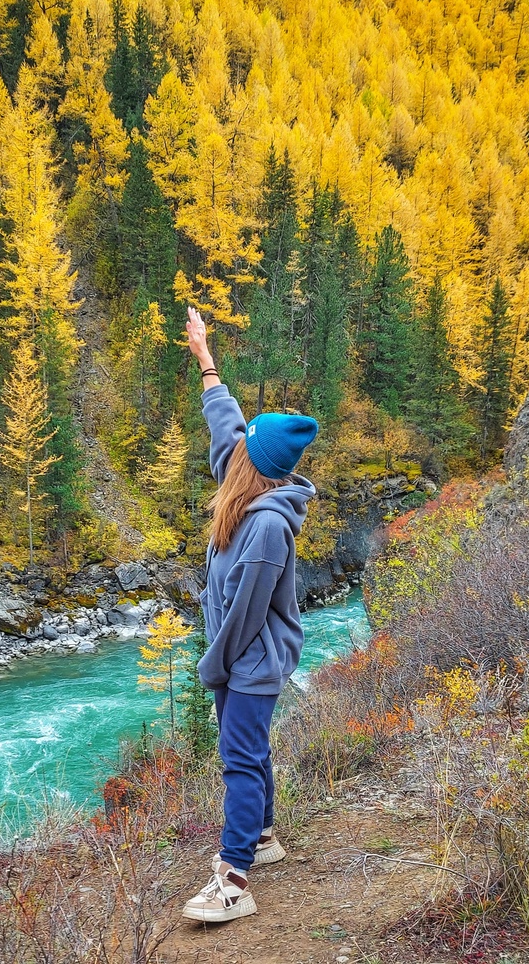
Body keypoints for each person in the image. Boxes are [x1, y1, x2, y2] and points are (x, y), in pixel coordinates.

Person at [181, 306, 319, 923]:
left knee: (239, 758)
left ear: (256, 465)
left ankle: (235, 879)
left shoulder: (266, 526)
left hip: (251, 660)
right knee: (253, 747)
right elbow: (226, 426)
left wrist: (215, 668)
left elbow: (242, 618)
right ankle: (263, 836)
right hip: (243, 657)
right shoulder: (246, 477)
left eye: (245, 446)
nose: (233, 448)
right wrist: (206, 360)